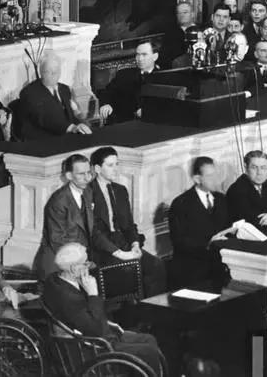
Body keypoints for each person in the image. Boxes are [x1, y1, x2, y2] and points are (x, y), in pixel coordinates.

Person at [42, 243, 162, 375]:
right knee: (148, 351)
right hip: (92, 348)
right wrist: (93, 294)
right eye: (85, 263)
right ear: (73, 268)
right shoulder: (69, 298)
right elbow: (96, 330)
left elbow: (84, 318)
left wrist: (108, 323)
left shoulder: (55, 280)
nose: (90, 265)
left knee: (149, 339)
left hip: (92, 335)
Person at [89, 146, 167, 296]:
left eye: (117, 164)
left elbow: (129, 224)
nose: (116, 169)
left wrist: (135, 244)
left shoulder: (120, 190)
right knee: (130, 269)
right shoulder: (88, 192)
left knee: (156, 266)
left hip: (123, 242)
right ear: (97, 169)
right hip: (103, 248)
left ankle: (151, 306)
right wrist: (120, 254)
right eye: (110, 165)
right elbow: (94, 232)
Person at [168, 156, 234, 287]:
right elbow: (179, 241)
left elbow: (228, 227)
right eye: (210, 176)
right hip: (192, 269)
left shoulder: (221, 199)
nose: (215, 179)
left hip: (221, 265)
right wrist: (207, 244)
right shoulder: (181, 203)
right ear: (197, 179)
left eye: (216, 174)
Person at [33, 154, 94, 281]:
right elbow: (57, 240)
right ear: (69, 176)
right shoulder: (58, 201)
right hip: (59, 263)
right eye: (81, 174)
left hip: (82, 257)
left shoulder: (88, 192)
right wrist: (81, 261)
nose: (87, 178)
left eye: (89, 172)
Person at [17, 54, 91, 141]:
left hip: (67, 137)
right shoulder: (29, 92)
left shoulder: (65, 89)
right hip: (43, 141)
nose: (52, 74)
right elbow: (43, 118)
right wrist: (71, 127)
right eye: (47, 71)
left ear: (60, 72)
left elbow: (70, 117)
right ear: (41, 72)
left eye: (55, 71)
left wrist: (80, 125)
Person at [99, 41, 161, 124]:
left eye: (144, 54)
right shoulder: (124, 74)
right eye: (137, 54)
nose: (140, 59)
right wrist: (106, 104)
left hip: (152, 124)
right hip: (124, 123)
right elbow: (107, 92)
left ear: (155, 56)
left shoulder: (165, 77)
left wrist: (148, 111)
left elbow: (167, 106)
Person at [160, 1, 198, 67]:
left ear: (192, 14)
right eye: (179, 13)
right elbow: (164, 58)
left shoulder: (201, 30)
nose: (182, 15)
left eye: (185, 12)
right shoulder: (170, 34)